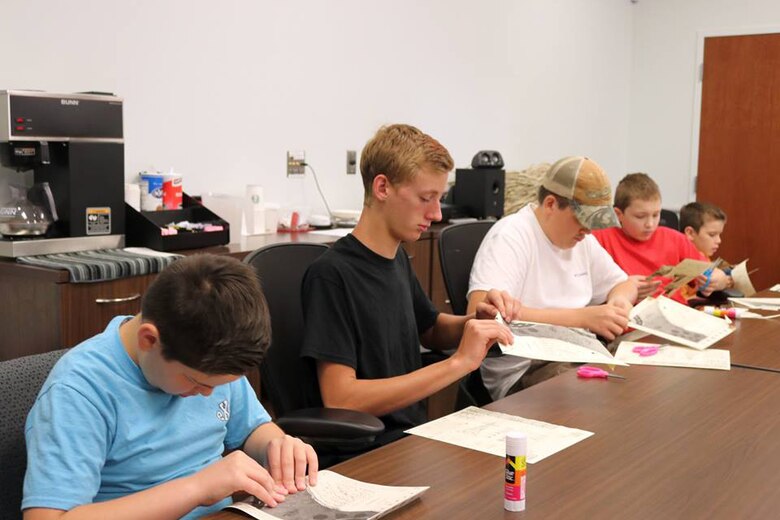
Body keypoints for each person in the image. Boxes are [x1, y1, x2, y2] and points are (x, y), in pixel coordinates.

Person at [23, 254, 318, 520]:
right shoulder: (79, 391)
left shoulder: (210, 358)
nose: (208, 394)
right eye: (197, 382)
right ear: (149, 340)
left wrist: (276, 445)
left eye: (221, 384)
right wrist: (197, 488)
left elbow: (252, 427)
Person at [300, 123, 520, 443]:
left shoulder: (398, 259)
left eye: (439, 199)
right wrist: (458, 363)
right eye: (426, 198)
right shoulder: (332, 276)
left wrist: (475, 322)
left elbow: (429, 329)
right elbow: (342, 399)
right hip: (365, 450)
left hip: (411, 437)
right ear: (382, 188)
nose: (436, 214)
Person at [467, 156, 638, 400]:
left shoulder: (583, 241)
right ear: (550, 204)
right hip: (526, 367)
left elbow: (623, 284)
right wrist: (581, 318)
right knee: (598, 398)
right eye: (582, 219)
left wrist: (619, 301)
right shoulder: (511, 237)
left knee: (639, 373)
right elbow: (481, 313)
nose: (588, 231)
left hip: (579, 352)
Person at [593, 173, 730, 300]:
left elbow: (711, 272)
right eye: (640, 216)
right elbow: (585, 290)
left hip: (675, 315)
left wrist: (718, 280)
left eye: (656, 214)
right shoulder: (598, 240)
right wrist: (621, 289)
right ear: (618, 214)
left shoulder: (676, 239)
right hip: (629, 317)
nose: (650, 224)